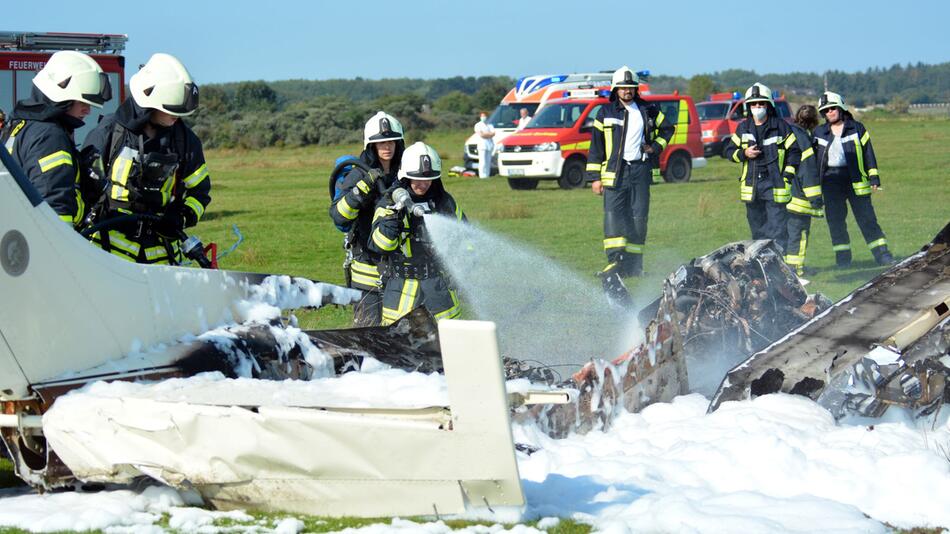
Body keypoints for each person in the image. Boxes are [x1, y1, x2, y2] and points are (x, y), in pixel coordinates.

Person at [82, 53, 209, 265]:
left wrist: (182, 215)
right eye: (171, 109)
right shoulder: (109, 134)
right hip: (107, 254)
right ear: (148, 99)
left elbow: (200, 191)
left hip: (161, 256)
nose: (176, 116)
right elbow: (83, 188)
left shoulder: (185, 140)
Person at [1, 51, 112, 226]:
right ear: (62, 96)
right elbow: (55, 206)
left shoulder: (20, 125)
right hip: (47, 245)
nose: (88, 110)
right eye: (82, 102)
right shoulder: (49, 137)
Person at [586, 65, 674, 286]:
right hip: (615, 172)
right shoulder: (605, 113)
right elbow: (595, 148)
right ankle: (615, 262)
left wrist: (655, 147)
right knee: (614, 217)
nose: (627, 91)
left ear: (636, 89)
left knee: (638, 219)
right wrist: (594, 178)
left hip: (640, 171)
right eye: (623, 87)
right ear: (616, 89)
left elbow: (668, 129)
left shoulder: (649, 109)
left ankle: (634, 266)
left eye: (631, 87)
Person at [368, 142, 465, 325]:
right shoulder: (388, 204)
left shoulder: (444, 202)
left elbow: (464, 236)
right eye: (417, 179)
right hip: (401, 289)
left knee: (451, 343)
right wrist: (393, 220)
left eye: (429, 179)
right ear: (405, 177)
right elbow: (380, 245)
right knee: (398, 345)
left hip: (439, 287)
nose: (423, 184)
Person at [329, 111, 405, 326]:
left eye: (391, 141)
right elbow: (339, 216)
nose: (387, 147)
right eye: (381, 142)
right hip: (367, 266)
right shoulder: (358, 174)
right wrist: (361, 190)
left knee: (399, 329)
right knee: (367, 330)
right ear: (370, 145)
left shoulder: (405, 173)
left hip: (400, 266)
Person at [812, 91, 894, 267]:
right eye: (826, 111)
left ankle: (882, 255)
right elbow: (811, 160)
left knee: (867, 219)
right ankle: (843, 260)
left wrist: (874, 177)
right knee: (836, 222)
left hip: (855, 180)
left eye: (833, 108)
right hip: (830, 182)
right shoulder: (818, 132)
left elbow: (868, 153)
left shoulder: (857, 128)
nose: (830, 112)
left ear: (841, 108)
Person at [723, 82, 801, 253]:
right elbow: (728, 151)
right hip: (752, 188)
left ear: (768, 105)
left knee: (777, 230)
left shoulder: (780, 126)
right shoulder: (743, 127)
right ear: (748, 106)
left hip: (775, 185)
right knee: (757, 231)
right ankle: (761, 270)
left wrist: (787, 176)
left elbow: (795, 153)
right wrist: (744, 153)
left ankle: (780, 268)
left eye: (761, 104)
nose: (757, 107)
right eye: (754, 104)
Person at [784, 105, 823, 276]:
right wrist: (815, 199)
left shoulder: (788, 132)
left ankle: (786, 269)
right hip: (798, 197)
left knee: (786, 233)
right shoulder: (803, 138)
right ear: (814, 122)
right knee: (799, 234)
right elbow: (807, 170)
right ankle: (795, 271)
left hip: (781, 194)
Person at [473, 111, 495, 178]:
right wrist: (488, 134)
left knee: (488, 162)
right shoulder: (478, 125)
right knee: (482, 162)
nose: (483, 117)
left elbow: (493, 133)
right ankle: (482, 175)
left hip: (489, 145)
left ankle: (487, 175)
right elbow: (481, 135)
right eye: (482, 116)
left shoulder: (490, 125)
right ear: (480, 117)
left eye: (484, 116)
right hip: (482, 145)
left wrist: (486, 134)